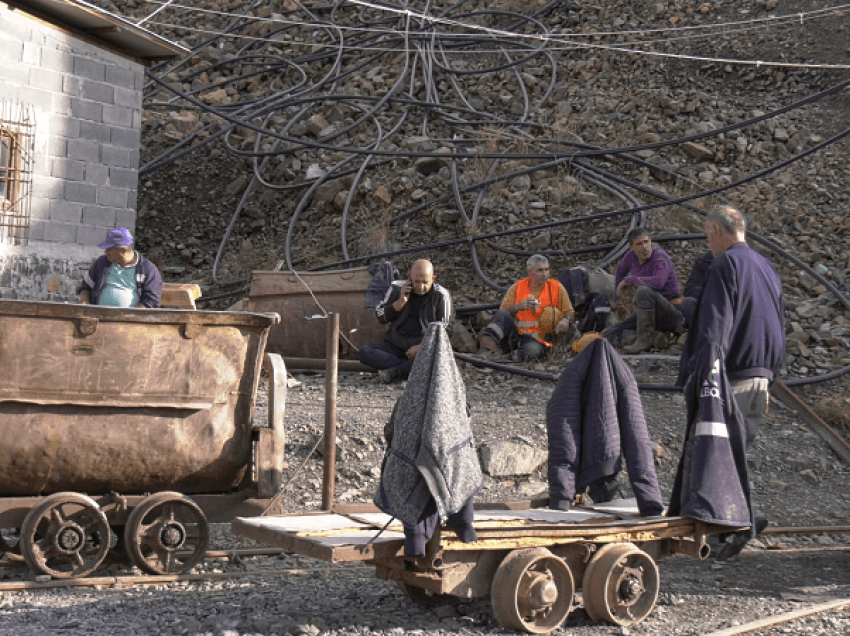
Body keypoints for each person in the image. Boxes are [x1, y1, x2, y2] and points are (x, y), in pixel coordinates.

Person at [669, 205, 785, 560]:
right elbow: (778, 325)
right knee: (734, 456)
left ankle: (711, 531)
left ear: (718, 231)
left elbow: (715, 327)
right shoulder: (767, 268)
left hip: (728, 377)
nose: (708, 243)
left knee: (705, 452)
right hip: (759, 379)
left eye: (708, 235)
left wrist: (706, 377)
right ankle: (740, 519)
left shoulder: (724, 265)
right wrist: (771, 378)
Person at [359, 259, 452, 384]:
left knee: (435, 358)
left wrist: (421, 347)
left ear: (433, 279)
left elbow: (446, 329)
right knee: (365, 352)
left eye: (425, 282)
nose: (420, 287)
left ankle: (396, 372)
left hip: (423, 348)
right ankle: (405, 369)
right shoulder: (397, 288)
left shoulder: (441, 295)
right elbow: (380, 316)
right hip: (396, 346)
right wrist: (399, 304)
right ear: (410, 277)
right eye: (416, 282)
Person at [477, 254, 575, 361]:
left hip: (538, 340)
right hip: (515, 335)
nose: (545, 274)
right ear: (530, 272)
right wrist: (518, 307)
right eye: (540, 270)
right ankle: (486, 351)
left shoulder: (556, 287)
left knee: (533, 350)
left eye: (547, 270)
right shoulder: (518, 287)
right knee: (501, 315)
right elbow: (502, 313)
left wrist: (566, 320)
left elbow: (569, 312)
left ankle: (502, 359)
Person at [607, 228, 684, 354]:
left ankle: (644, 341)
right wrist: (617, 298)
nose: (645, 247)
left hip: (671, 311)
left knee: (643, 291)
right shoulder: (631, 257)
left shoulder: (660, 256)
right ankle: (656, 337)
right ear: (631, 247)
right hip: (648, 313)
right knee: (613, 330)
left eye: (646, 242)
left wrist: (630, 280)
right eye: (639, 244)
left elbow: (659, 282)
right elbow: (620, 271)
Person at [79, 227, 162, 308]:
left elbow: (151, 301)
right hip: (98, 316)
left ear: (123, 251)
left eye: (109, 249)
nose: (106, 252)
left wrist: (131, 316)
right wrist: (85, 304)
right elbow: (85, 286)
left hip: (129, 320)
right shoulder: (102, 262)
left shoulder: (148, 270)